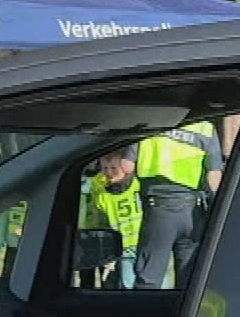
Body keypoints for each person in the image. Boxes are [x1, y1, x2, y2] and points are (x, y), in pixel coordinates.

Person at [132, 121, 223, 289]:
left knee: (149, 280)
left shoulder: (150, 121)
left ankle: (144, 315)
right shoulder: (205, 128)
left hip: (160, 211)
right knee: (189, 283)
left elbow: (126, 166)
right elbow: (214, 176)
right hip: (192, 213)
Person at [77, 145, 142, 288]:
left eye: (113, 168)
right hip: (123, 249)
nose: (109, 173)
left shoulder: (138, 184)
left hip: (142, 244)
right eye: (105, 168)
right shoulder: (101, 192)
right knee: (127, 284)